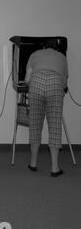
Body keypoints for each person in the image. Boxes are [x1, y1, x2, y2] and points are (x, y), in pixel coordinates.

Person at [25, 41, 68, 177]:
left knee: (35, 125)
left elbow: (27, 79)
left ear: (43, 47)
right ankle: (55, 168)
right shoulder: (62, 57)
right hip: (55, 83)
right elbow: (65, 82)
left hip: (36, 82)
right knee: (55, 125)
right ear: (56, 48)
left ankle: (33, 164)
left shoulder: (35, 54)